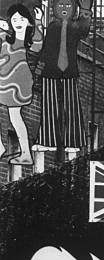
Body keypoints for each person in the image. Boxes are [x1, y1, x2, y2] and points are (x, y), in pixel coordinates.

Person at [35, 0, 92, 152]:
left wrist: (86, 8)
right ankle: (48, 140)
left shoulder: (74, 27)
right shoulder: (54, 27)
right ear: (55, 8)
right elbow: (46, 50)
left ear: (74, 9)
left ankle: (73, 141)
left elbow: (84, 30)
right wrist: (39, 71)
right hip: (51, 71)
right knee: (49, 105)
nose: (65, 9)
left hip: (68, 72)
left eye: (68, 6)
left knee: (72, 105)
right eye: (61, 6)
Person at [0, 3, 44, 164]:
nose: (18, 21)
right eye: (14, 18)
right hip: (3, 80)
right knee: (14, 116)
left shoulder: (29, 42)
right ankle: (4, 147)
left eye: (21, 18)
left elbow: (39, 44)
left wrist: (39, 21)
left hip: (18, 83)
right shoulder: (5, 37)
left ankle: (25, 153)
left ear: (28, 22)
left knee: (15, 116)